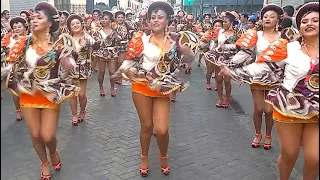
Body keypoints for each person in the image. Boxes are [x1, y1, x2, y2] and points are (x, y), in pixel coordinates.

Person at [220, 2, 319, 179]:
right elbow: (262, 65)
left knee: (314, 158)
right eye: (304, 21)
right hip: (289, 106)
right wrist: (233, 71)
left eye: (315, 20)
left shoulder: (282, 37)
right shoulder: (287, 47)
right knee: (289, 154)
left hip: (316, 109)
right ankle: (261, 136)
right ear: (300, 26)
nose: (309, 23)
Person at [112, 1, 194, 176]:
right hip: (142, 85)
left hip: (163, 87)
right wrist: (119, 72)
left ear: (167, 21)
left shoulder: (175, 40)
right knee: (147, 125)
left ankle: (163, 156)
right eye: (153, 17)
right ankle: (144, 157)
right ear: (148, 21)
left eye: (160, 17)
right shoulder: (140, 39)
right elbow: (130, 60)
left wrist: (186, 51)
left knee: (162, 129)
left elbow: (188, 60)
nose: (156, 20)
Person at [1, 2, 79, 179]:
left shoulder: (60, 42)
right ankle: (44, 161)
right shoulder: (23, 42)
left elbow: (71, 65)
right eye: (33, 17)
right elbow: (11, 65)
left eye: (39, 17)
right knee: (36, 134)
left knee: (48, 135)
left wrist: (69, 59)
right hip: (28, 93)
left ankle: (52, 152)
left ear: (50, 23)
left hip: (50, 94)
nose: (34, 20)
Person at [67, 14, 98, 125]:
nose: (75, 25)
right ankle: (74, 114)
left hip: (83, 68)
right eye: (72, 24)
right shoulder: (67, 39)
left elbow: (96, 46)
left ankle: (82, 110)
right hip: (70, 69)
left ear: (82, 24)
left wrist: (88, 43)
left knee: (82, 94)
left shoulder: (87, 36)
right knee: (72, 93)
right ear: (70, 27)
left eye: (77, 23)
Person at [1, 16, 29, 121]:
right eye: (15, 27)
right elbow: (5, 53)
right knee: (15, 91)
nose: (17, 29)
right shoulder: (9, 39)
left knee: (27, 90)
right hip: (14, 68)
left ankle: (28, 108)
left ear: (25, 28)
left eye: (19, 26)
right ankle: (18, 110)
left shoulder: (29, 39)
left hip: (27, 68)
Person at [92, 10, 120, 97]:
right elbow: (94, 44)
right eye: (102, 19)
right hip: (101, 54)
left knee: (112, 72)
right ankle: (101, 87)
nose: (103, 21)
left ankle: (112, 87)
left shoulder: (114, 31)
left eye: (105, 19)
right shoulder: (98, 32)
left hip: (112, 54)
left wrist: (116, 36)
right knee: (102, 72)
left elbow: (119, 41)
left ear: (110, 20)